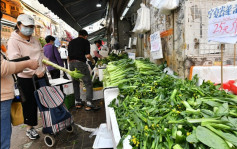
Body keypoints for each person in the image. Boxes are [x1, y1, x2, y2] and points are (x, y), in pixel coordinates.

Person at [7, 14, 47, 140]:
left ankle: (50, 121)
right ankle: (30, 128)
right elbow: (15, 62)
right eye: (26, 26)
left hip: (41, 74)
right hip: (25, 78)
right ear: (18, 25)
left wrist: (45, 64)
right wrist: (33, 72)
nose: (29, 29)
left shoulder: (34, 39)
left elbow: (41, 54)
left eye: (31, 26)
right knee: (29, 103)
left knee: (47, 98)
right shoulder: (13, 41)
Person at [68, 30, 100, 111]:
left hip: (71, 64)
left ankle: (77, 102)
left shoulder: (71, 42)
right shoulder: (86, 42)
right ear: (86, 36)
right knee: (88, 83)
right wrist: (93, 61)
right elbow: (88, 55)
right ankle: (89, 103)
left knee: (75, 83)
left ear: (79, 34)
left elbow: (68, 56)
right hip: (80, 63)